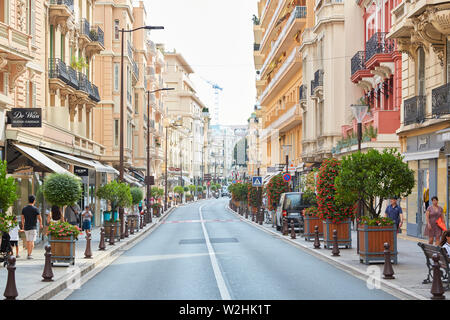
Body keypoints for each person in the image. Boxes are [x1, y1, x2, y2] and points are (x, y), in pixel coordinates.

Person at [21, 195, 43, 259]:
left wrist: (23, 226)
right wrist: (41, 224)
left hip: (26, 227)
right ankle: (29, 254)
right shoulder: (35, 209)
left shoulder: (24, 209)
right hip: (33, 227)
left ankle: (28, 254)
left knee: (28, 241)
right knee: (32, 242)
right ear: (34, 201)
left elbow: (22, 218)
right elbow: (40, 218)